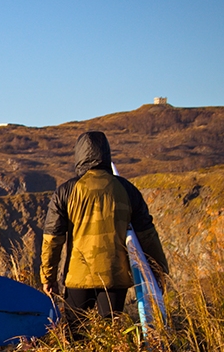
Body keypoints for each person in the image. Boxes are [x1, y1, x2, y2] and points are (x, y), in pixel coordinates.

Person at [41, 130, 168, 322]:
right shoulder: (127, 189)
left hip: (78, 277)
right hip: (115, 277)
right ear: (106, 153)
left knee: (76, 335)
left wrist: (48, 278)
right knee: (111, 332)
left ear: (79, 155)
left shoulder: (66, 191)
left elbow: (53, 240)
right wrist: (160, 272)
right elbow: (147, 235)